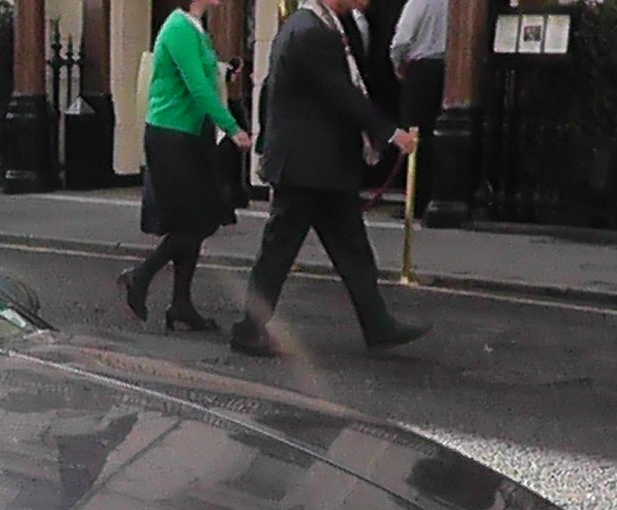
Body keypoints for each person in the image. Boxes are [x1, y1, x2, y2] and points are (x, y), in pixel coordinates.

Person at [231, 0, 428, 357]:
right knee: (280, 251)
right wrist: (391, 134)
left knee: (351, 249)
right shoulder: (310, 32)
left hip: (320, 168)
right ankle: (249, 328)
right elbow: (343, 96)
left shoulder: (315, 26)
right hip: (308, 167)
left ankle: (377, 324)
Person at [116, 0, 251, 333]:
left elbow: (200, 73)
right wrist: (232, 127)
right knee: (199, 221)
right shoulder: (178, 28)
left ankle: (181, 304)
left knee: (192, 221)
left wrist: (223, 71)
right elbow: (196, 85)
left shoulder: (193, 26)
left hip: (190, 136)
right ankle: (141, 276)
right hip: (171, 137)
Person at [389, 0, 447, 175]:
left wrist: (398, 65)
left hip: (420, 70)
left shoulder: (418, 3)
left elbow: (401, 41)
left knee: (415, 131)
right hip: (447, 68)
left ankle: (414, 186)